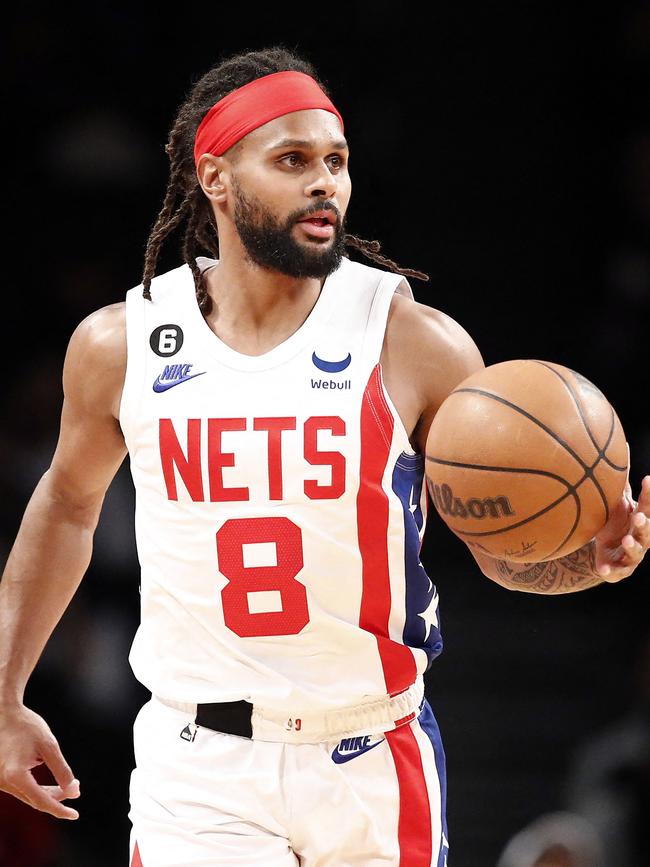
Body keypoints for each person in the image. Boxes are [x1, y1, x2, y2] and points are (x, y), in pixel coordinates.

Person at [0, 45, 648, 867]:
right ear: (216, 178)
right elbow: (65, 503)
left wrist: (588, 558)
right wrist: (4, 692)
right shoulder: (119, 344)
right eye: (293, 159)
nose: (324, 183)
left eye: (336, 161)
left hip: (371, 755)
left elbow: (503, 548)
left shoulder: (414, 343)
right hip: (200, 762)